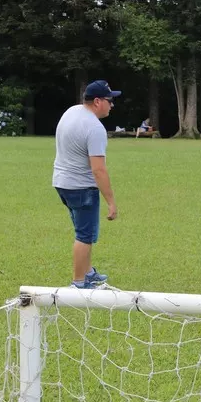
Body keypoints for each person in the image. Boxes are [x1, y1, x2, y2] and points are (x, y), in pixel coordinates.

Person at [53, 80, 121, 289]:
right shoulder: (95, 128)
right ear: (98, 101)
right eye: (110, 101)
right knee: (85, 236)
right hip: (81, 188)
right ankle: (79, 282)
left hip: (62, 183)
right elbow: (98, 169)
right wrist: (111, 201)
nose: (112, 105)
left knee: (83, 230)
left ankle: (88, 272)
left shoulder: (72, 111)